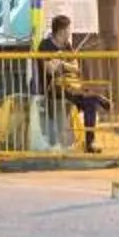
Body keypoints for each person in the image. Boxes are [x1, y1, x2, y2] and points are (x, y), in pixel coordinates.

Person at [35, 13, 109, 153]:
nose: (70, 32)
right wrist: (57, 62)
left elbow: (76, 67)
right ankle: (98, 98)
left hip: (71, 85)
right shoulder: (45, 45)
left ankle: (90, 142)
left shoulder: (67, 45)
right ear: (61, 31)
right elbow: (49, 70)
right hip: (54, 89)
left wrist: (62, 62)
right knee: (86, 97)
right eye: (69, 29)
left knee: (89, 103)